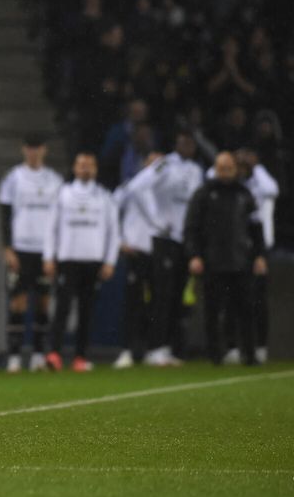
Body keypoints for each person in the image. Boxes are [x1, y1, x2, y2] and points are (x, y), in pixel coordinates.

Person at [185, 152, 266, 365]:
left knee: (245, 310)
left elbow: (256, 228)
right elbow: (191, 227)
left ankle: (249, 353)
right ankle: (215, 355)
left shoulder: (244, 193)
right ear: (215, 169)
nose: (226, 172)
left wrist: (259, 255)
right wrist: (194, 255)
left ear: (235, 169)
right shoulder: (204, 193)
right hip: (213, 261)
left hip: (241, 261)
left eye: (229, 168)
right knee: (212, 310)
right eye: (222, 168)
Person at [42, 153, 119, 372]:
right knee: (62, 309)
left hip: (93, 259)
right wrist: (49, 257)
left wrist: (110, 261)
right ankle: (54, 354)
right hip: (68, 258)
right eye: (81, 165)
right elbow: (51, 228)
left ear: (95, 169)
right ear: (75, 168)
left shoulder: (105, 197)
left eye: (89, 166)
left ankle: (80, 357)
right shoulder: (63, 194)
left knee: (87, 311)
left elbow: (114, 232)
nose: (85, 169)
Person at [0, 133, 63, 373]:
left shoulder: (54, 180)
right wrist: (8, 248)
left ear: (44, 150)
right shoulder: (13, 178)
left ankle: (37, 355)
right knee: (18, 303)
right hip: (21, 248)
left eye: (37, 148)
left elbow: (59, 220)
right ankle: (14, 357)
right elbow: (5, 215)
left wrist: (54, 252)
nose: (33, 152)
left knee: (44, 303)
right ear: (23, 149)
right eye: (29, 148)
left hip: (44, 251)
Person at [138, 132, 204, 365]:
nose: (187, 146)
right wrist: (155, 220)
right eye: (183, 142)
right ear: (176, 143)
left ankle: (172, 348)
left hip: (184, 240)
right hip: (164, 239)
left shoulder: (196, 170)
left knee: (178, 296)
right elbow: (140, 187)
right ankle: (155, 347)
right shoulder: (164, 164)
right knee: (161, 294)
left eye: (191, 143)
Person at [112, 152, 164, 368]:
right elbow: (111, 212)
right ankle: (127, 350)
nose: (154, 168)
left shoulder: (164, 191)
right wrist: (119, 241)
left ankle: (155, 350)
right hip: (135, 251)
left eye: (158, 164)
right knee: (133, 304)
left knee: (158, 303)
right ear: (144, 164)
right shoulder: (129, 187)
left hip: (159, 250)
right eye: (151, 163)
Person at [229, 149, 278, 364]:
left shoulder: (260, 181)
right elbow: (213, 175)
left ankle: (260, 346)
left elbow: (272, 189)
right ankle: (235, 347)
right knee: (236, 300)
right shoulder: (235, 186)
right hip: (237, 248)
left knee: (258, 300)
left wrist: (256, 166)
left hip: (260, 246)